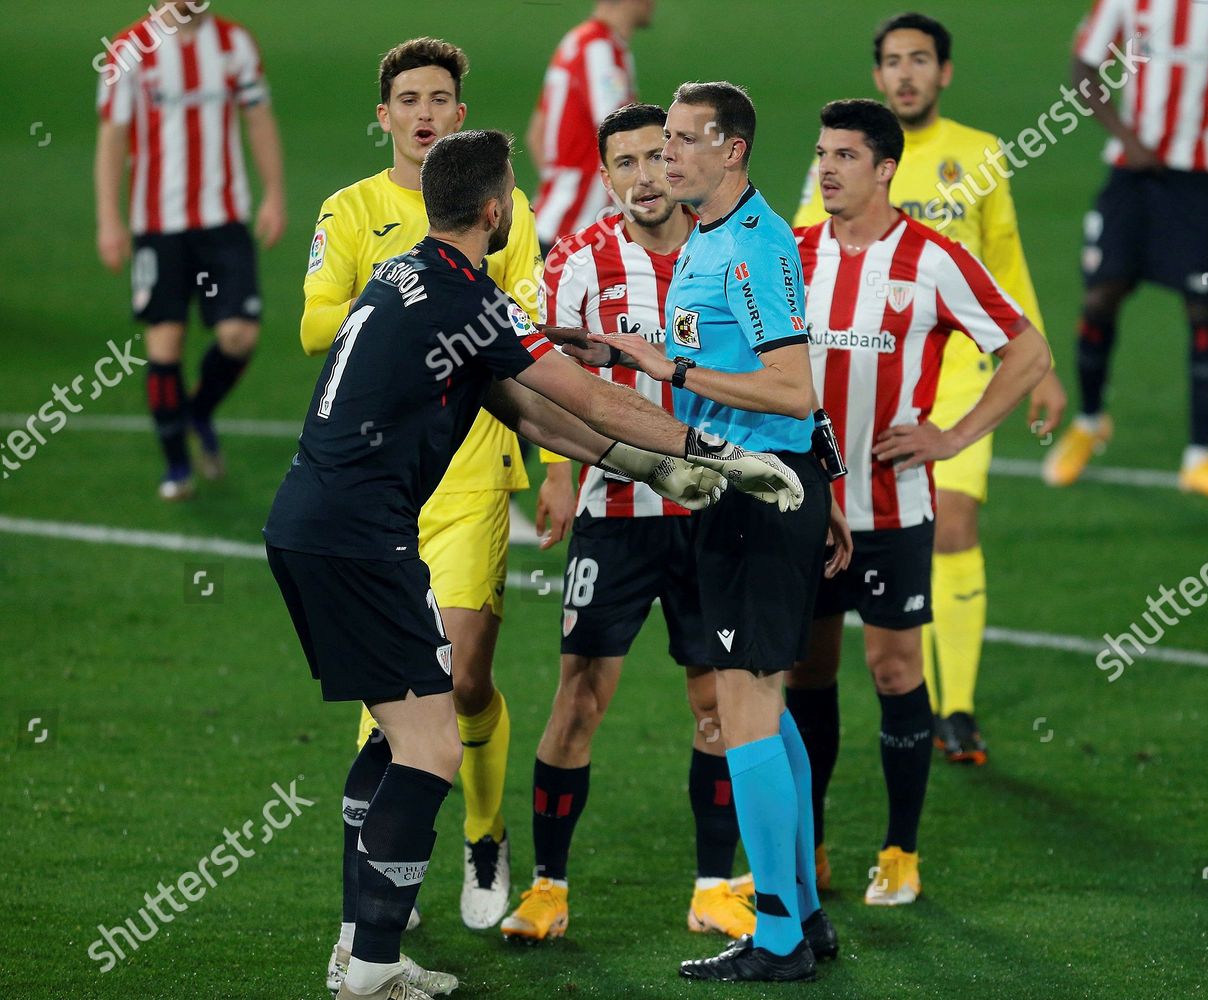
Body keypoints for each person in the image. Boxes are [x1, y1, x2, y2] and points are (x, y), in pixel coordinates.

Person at [265, 128, 802, 1000]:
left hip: (311, 525)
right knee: (432, 748)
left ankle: (358, 947)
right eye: (514, 195)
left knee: (397, 738)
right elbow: (587, 396)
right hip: (361, 540)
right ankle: (371, 968)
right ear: (494, 210)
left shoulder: (409, 274)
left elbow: (534, 413)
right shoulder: (467, 299)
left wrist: (658, 469)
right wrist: (714, 449)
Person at [571, 81, 846, 983]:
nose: (665, 159)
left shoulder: (748, 249)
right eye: (656, 148)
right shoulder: (717, 238)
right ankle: (801, 915)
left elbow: (790, 387)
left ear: (731, 151)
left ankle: (776, 939)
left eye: (682, 143)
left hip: (756, 494)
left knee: (747, 710)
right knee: (764, 700)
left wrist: (668, 363)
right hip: (751, 491)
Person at [300, 40, 540, 978]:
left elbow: (526, 343)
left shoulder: (503, 207)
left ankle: (484, 834)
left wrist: (555, 464)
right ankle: (367, 924)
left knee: (466, 676)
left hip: (474, 464)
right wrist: (397, 297)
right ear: (385, 115)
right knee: (396, 701)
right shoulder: (353, 212)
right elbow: (316, 323)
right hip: (389, 474)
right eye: (409, 98)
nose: (427, 111)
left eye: (443, 97)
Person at [502, 103, 756, 944]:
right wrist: (558, 477)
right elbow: (550, 381)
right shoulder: (577, 261)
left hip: (712, 512)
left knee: (715, 704)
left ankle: (713, 887)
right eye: (626, 163)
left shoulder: (731, 254)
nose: (646, 177)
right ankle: (547, 887)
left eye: (660, 155)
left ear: (685, 159)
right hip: (617, 514)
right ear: (605, 174)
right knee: (579, 700)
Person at [790, 99, 1050, 908]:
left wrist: (953, 435)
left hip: (894, 508)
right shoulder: (792, 254)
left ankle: (901, 851)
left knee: (894, 667)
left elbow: (1027, 348)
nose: (826, 169)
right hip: (806, 512)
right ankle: (813, 845)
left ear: (884, 168)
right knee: (809, 675)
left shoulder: (933, 260)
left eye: (844, 156)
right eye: (822, 154)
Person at [1044, 0, 1208, 499]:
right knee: (1100, 297)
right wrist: (1125, 136)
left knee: (1205, 310)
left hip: (1204, 185)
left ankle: (1200, 457)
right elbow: (1083, 66)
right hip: (1133, 175)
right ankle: (1088, 423)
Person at [94, 0, 286, 500]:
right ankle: (177, 466)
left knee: (239, 335)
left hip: (224, 220)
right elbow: (113, 137)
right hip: (158, 226)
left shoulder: (234, 43)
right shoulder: (128, 49)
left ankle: (198, 410)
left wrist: (275, 194)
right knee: (165, 343)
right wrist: (109, 219)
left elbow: (259, 117)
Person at [527, 0, 655, 248]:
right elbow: (621, 132)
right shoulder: (599, 49)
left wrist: (562, 189)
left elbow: (537, 134)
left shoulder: (579, 43)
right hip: (576, 235)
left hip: (553, 224)